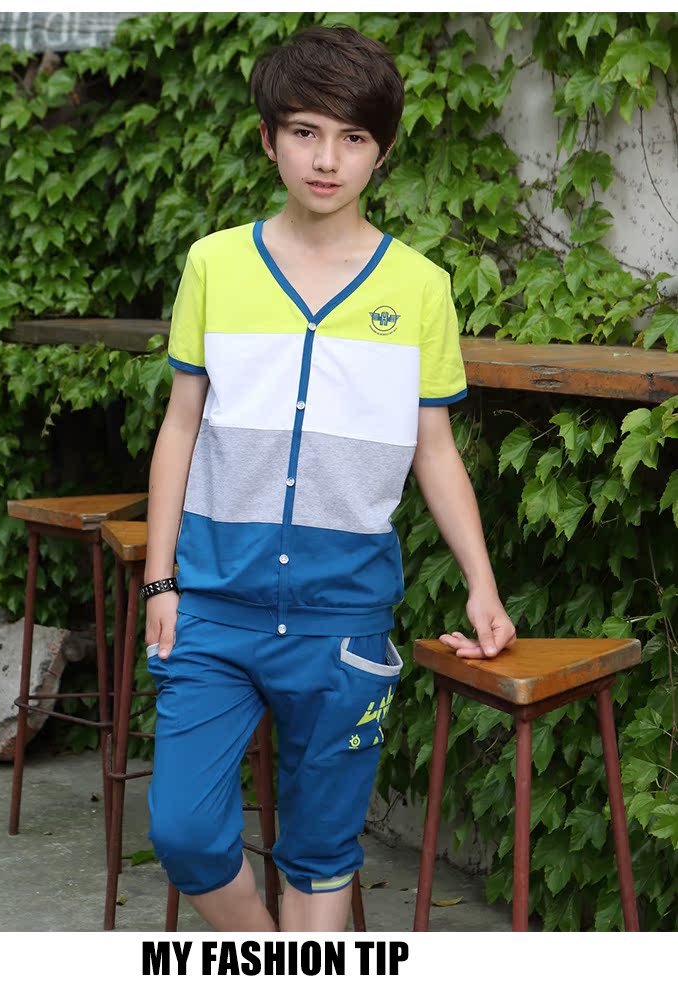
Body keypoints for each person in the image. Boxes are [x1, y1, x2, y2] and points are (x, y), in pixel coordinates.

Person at [141, 25, 516, 932]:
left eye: (353, 138)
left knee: (320, 852)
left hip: (343, 614)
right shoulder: (214, 263)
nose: (326, 159)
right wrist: (160, 579)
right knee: (184, 831)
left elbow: (434, 448)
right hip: (215, 606)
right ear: (268, 137)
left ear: (381, 153)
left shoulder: (420, 285)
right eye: (305, 131)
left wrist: (482, 582)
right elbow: (181, 424)